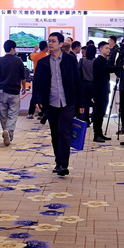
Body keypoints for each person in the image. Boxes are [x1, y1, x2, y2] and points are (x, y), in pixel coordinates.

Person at [32, 32, 84, 176]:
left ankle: (63, 164)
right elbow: (37, 82)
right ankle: (58, 162)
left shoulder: (70, 60)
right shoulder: (43, 62)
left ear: (61, 44)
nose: (50, 43)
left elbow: (77, 81)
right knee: (55, 133)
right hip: (51, 103)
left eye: (53, 41)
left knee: (64, 132)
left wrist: (81, 102)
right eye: (49, 41)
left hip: (68, 102)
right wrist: (37, 100)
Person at [0, 40, 26, 146]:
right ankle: (8, 131)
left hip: (2, 90)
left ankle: (6, 131)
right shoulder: (18, 60)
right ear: (13, 48)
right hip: (14, 91)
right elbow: (23, 76)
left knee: (3, 115)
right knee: (13, 114)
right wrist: (24, 87)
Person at [92, 41, 122, 142]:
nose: (108, 50)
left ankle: (100, 133)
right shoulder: (98, 61)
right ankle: (96, 134)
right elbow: (108, 69)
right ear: (100, 49)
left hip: (104, 90)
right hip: (99, 91)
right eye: (106, 48)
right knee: (98, 112)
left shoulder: (105, 60)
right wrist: (121, 67)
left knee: (102, 112)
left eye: (109, 48)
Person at [27, 41, 50, 119]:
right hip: (45, 79)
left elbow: (30, 57)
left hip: (36, 77)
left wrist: (35, 50)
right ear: (46, 47)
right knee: (43, 96)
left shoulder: (35, 55)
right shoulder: (47, 56)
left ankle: (30, 113)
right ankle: (41, 114)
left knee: (35, 95)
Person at [79, 44, 96, 126]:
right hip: (94, 83)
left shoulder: (82, 60)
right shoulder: (96, 61)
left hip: (84, 84)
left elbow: (79, 72)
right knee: (95, 101)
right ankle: (94, 117)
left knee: (85, 103)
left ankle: (86, 120)